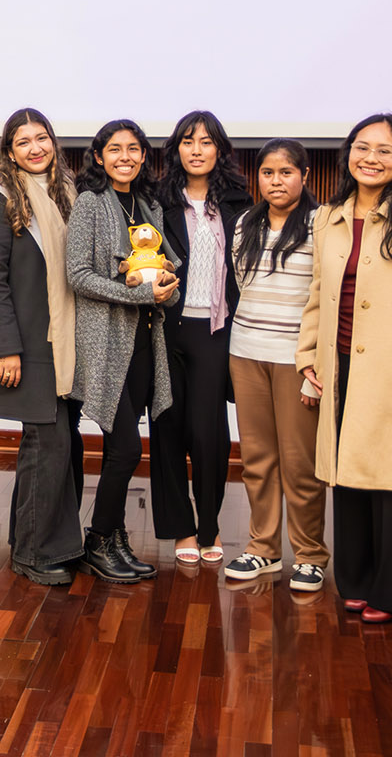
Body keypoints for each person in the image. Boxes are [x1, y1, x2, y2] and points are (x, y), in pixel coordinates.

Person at [298, 113, 392, 623]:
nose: (371, 158)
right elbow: (317, 294)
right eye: (362, 147)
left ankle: (391, 591)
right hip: (338, 365)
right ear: (348, 154)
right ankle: (356, 581)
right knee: (350, 477)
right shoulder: (328, 218)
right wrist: (307, 357)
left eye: (384, 150)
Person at [65, 119, 179, 584]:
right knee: (127, 450)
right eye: (115, 149)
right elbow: (78, 275)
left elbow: (164, 268)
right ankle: (98, 540)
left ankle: (114, 537)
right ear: (99, 156)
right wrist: (138, 292)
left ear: (144, 156)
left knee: (122, 448)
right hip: (108, 343)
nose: (125, 157)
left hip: (145, 343)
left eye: (133, 149)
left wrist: (166, 284)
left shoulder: (149, 205)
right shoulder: (90, 204)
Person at [0, 109, 81, 586]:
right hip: (27, 345)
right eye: (23, 142)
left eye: (42, 138)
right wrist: (7, 349)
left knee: (58, 445)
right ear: (10, 152)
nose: (35, 148)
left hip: (62, 343)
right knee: (46, 445)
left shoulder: (65, 196)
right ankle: (32, 555)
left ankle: (41, 543)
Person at [222, 139, 328, 593]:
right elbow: (241, 285)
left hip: (297, 361)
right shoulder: (245, 222)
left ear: (304, 175)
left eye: (286, 172)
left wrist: (315, 364)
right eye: (268, 173)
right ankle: (263, 548)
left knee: (300, 464)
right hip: (246, 352)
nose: (276, 181)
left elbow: (326, 296)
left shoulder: (323, 225)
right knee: (257, 459)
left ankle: (310, 555)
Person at [155, 111, 251, 565]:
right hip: (165, 327)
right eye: (188, 141)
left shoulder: (239, 202)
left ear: (220, 150)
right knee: (168, 428)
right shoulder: (157, 201)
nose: (196, 150)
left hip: (215, 330)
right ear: (177, 148)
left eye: (206, 141)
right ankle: (182, 529)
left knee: (209, 433)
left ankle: (209, 526)